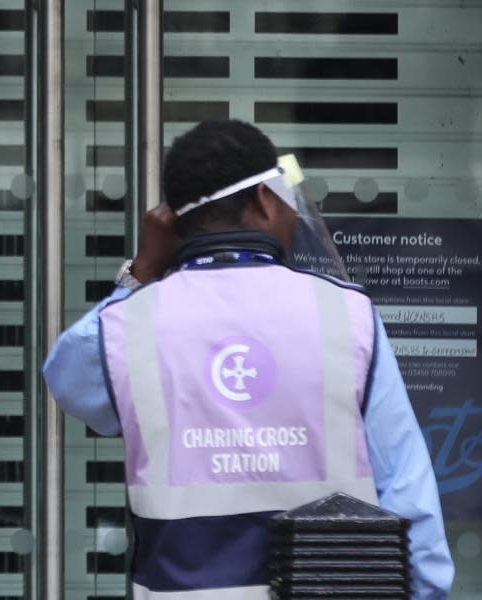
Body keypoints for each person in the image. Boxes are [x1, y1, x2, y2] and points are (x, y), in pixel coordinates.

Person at [44, 120, 454, 598]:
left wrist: (141, 271)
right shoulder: (346, 314)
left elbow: (67, 380)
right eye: (287, 199)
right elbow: (405, 486)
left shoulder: (127, 326)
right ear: (264, 199)